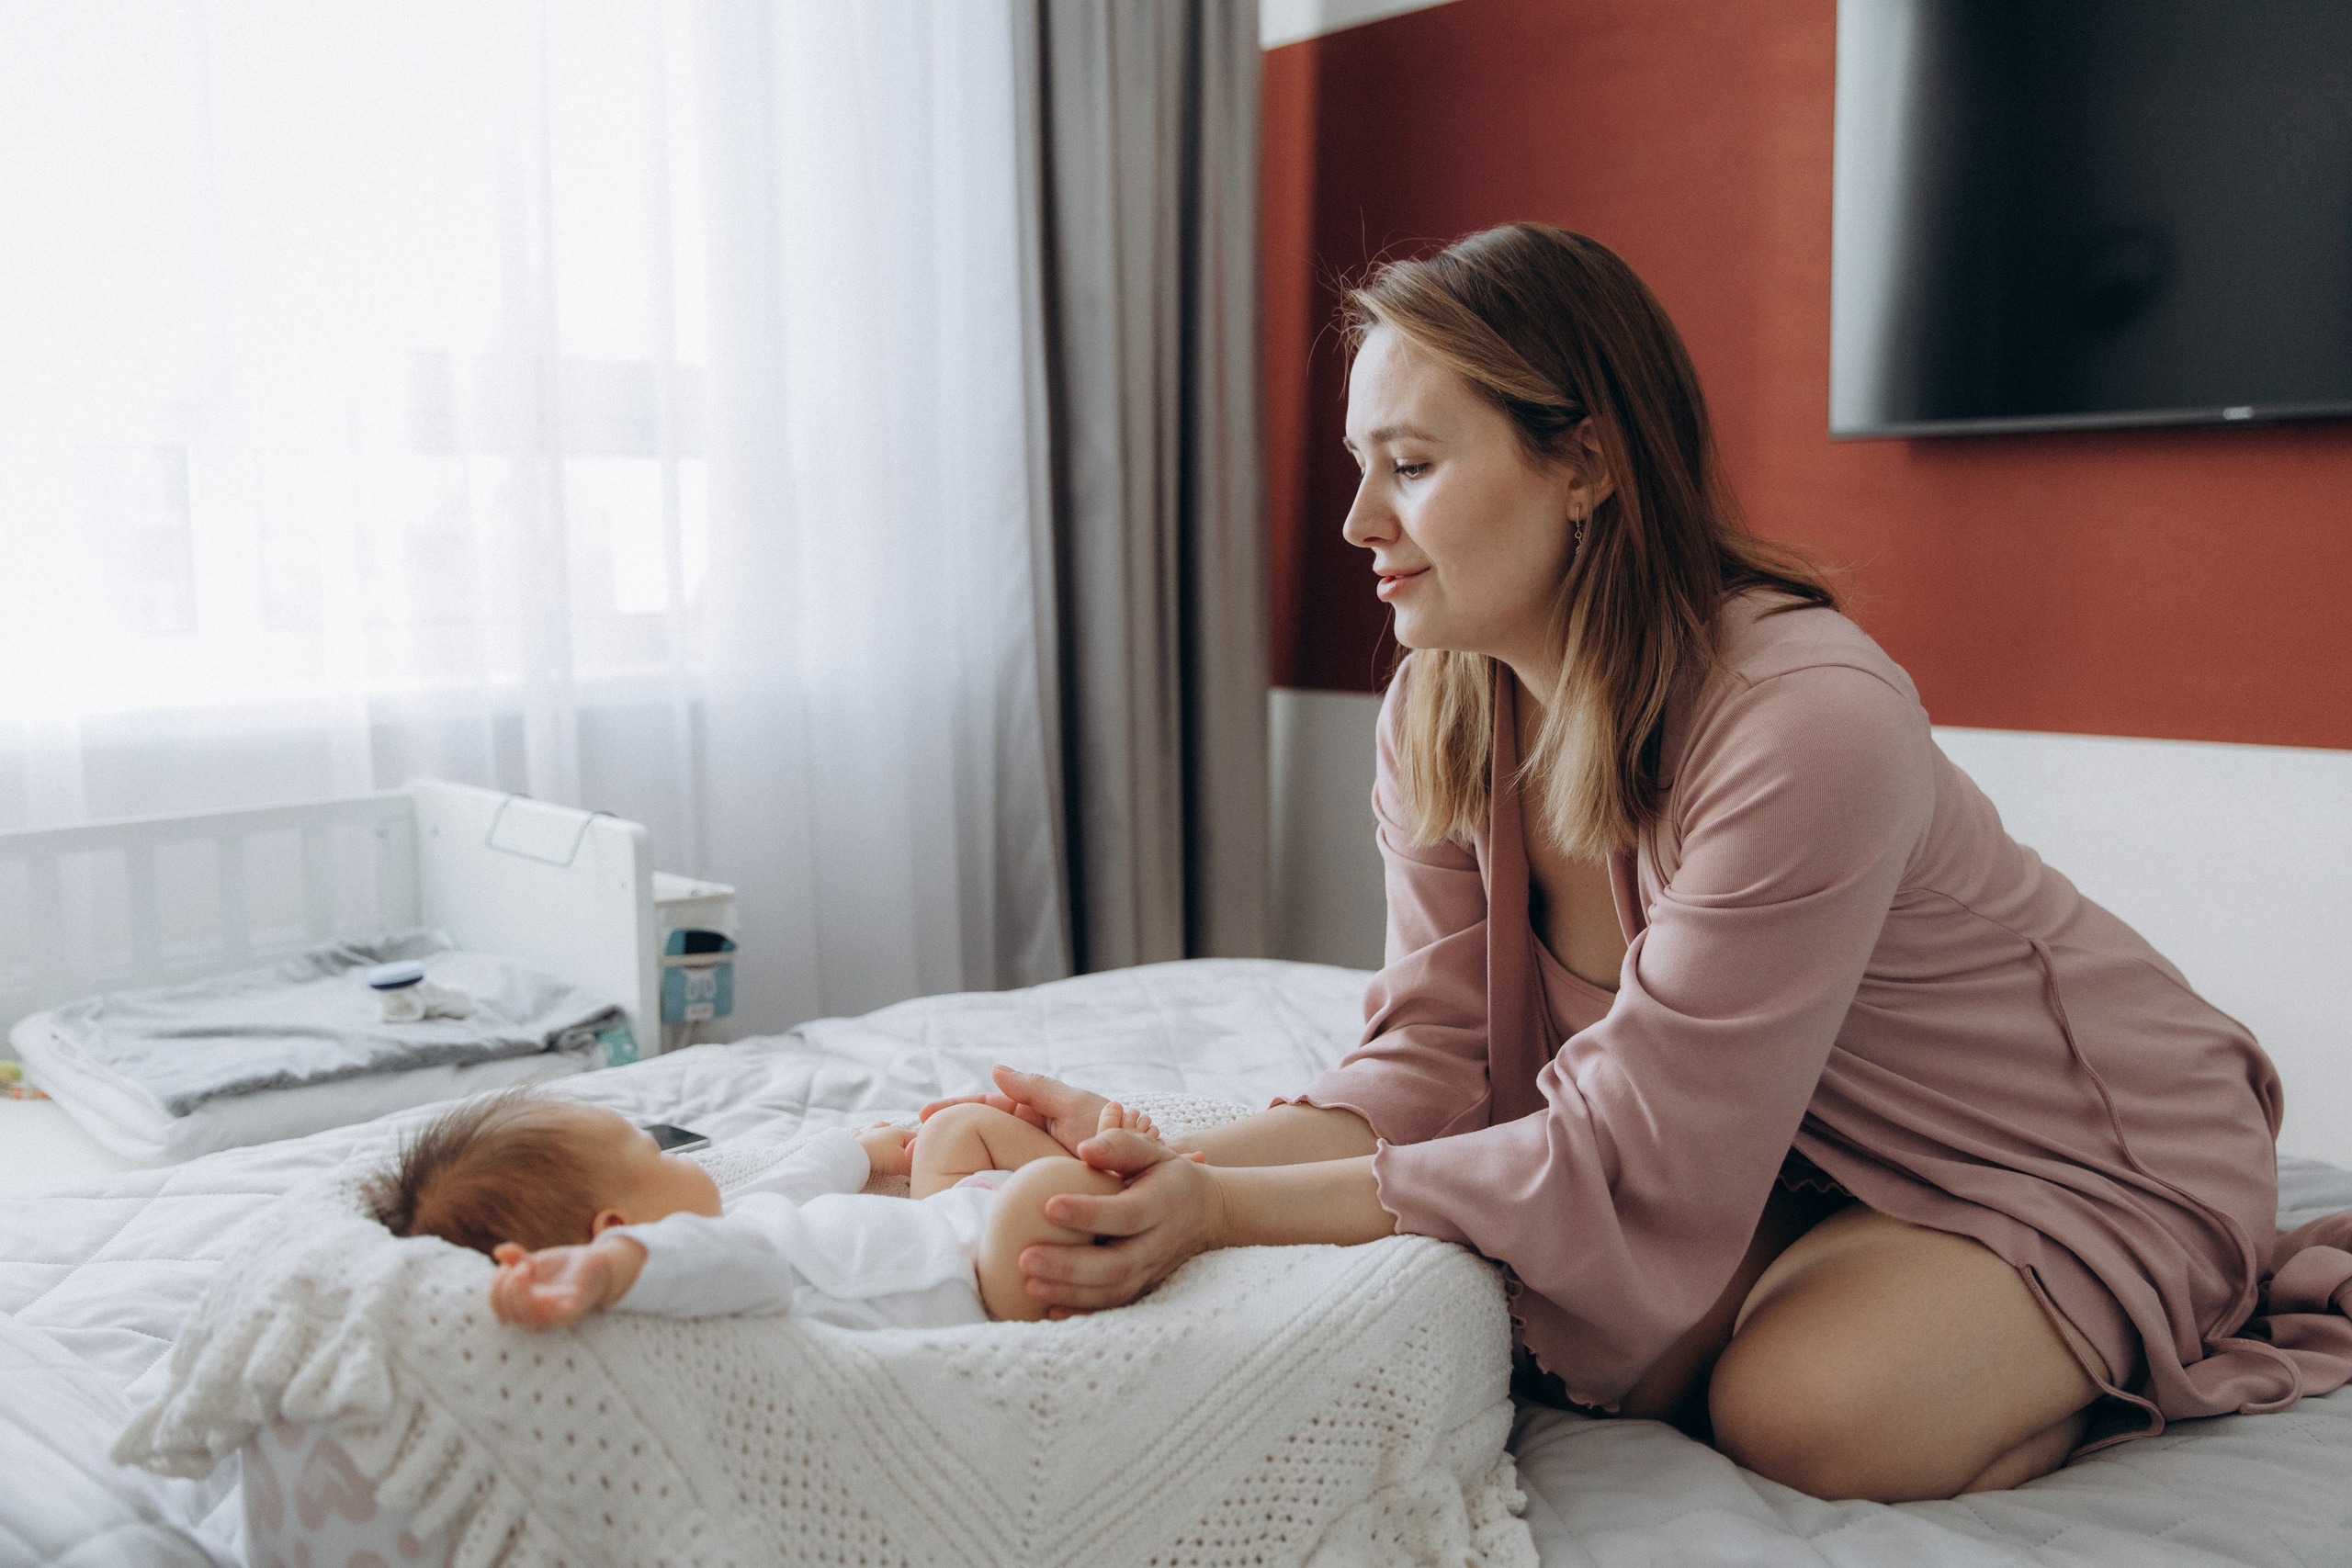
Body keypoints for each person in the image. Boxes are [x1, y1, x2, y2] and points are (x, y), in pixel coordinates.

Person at [922, 223, 2352, 1504]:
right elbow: (1430, 1067)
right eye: (1364, 469)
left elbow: (1620, 1153)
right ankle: (1845, 1271)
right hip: (1788, 1148)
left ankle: (2141, 1315)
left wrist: (1224, 1202)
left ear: (1589, 463)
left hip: (2083, 1149)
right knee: (1591, 1297)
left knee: (1802, 1411)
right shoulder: (1446, 699)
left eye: (1410, 468)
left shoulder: (1809, 722)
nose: (1361, 523)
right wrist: (1155, 1170)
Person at [369, 1088, 1163, 1328]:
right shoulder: (712, 1267)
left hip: (944, 1221)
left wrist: (867, 1149)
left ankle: (1112, 1170)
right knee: (1033, 1197)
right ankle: (1139, 1182)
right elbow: (729, 1262)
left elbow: (798, 1177)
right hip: (991, 1280)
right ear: (621, 1233)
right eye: (652, 1157)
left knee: (954, 1128)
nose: (679, 1157)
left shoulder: (736, 1217)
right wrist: (613, 1273)